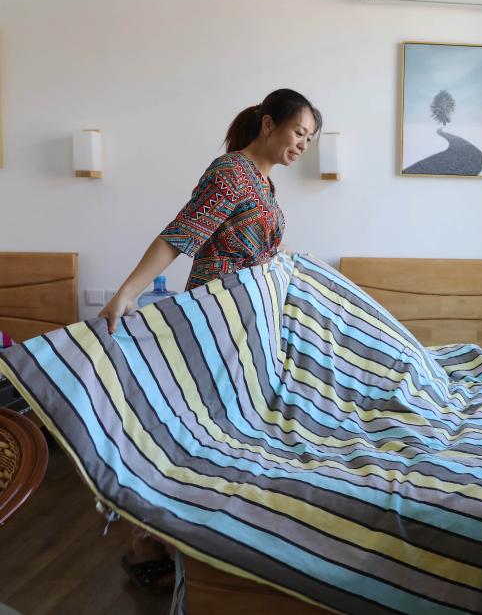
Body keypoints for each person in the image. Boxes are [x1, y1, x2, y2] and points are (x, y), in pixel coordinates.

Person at [98, 88, 322, 593]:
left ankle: (182, 543)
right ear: (269, 123)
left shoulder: (264, 183)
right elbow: (181, 235)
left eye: (310, 139)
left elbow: (259, 251)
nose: (303, 145)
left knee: (225, 435)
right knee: (199, 436)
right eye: (298, 132)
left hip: (246, 327)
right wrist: (128, 292)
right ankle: (147, 544)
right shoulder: (231, 172)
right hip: (216, 323)